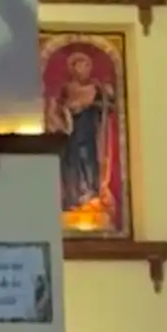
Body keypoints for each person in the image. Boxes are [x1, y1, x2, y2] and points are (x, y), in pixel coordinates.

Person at [49, 45, 120, 226]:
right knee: (73, 164)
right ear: (72, 68)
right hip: (72, 132)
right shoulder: (67, 88)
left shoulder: (97, 87)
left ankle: (91, 195)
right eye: (79, 65)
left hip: (92, 133)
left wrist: (103, 97)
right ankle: (74, 199)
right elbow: (57, 108)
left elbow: (109, 105)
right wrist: (68, 109)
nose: (83, 69)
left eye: (86, 65)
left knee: (90, 162)